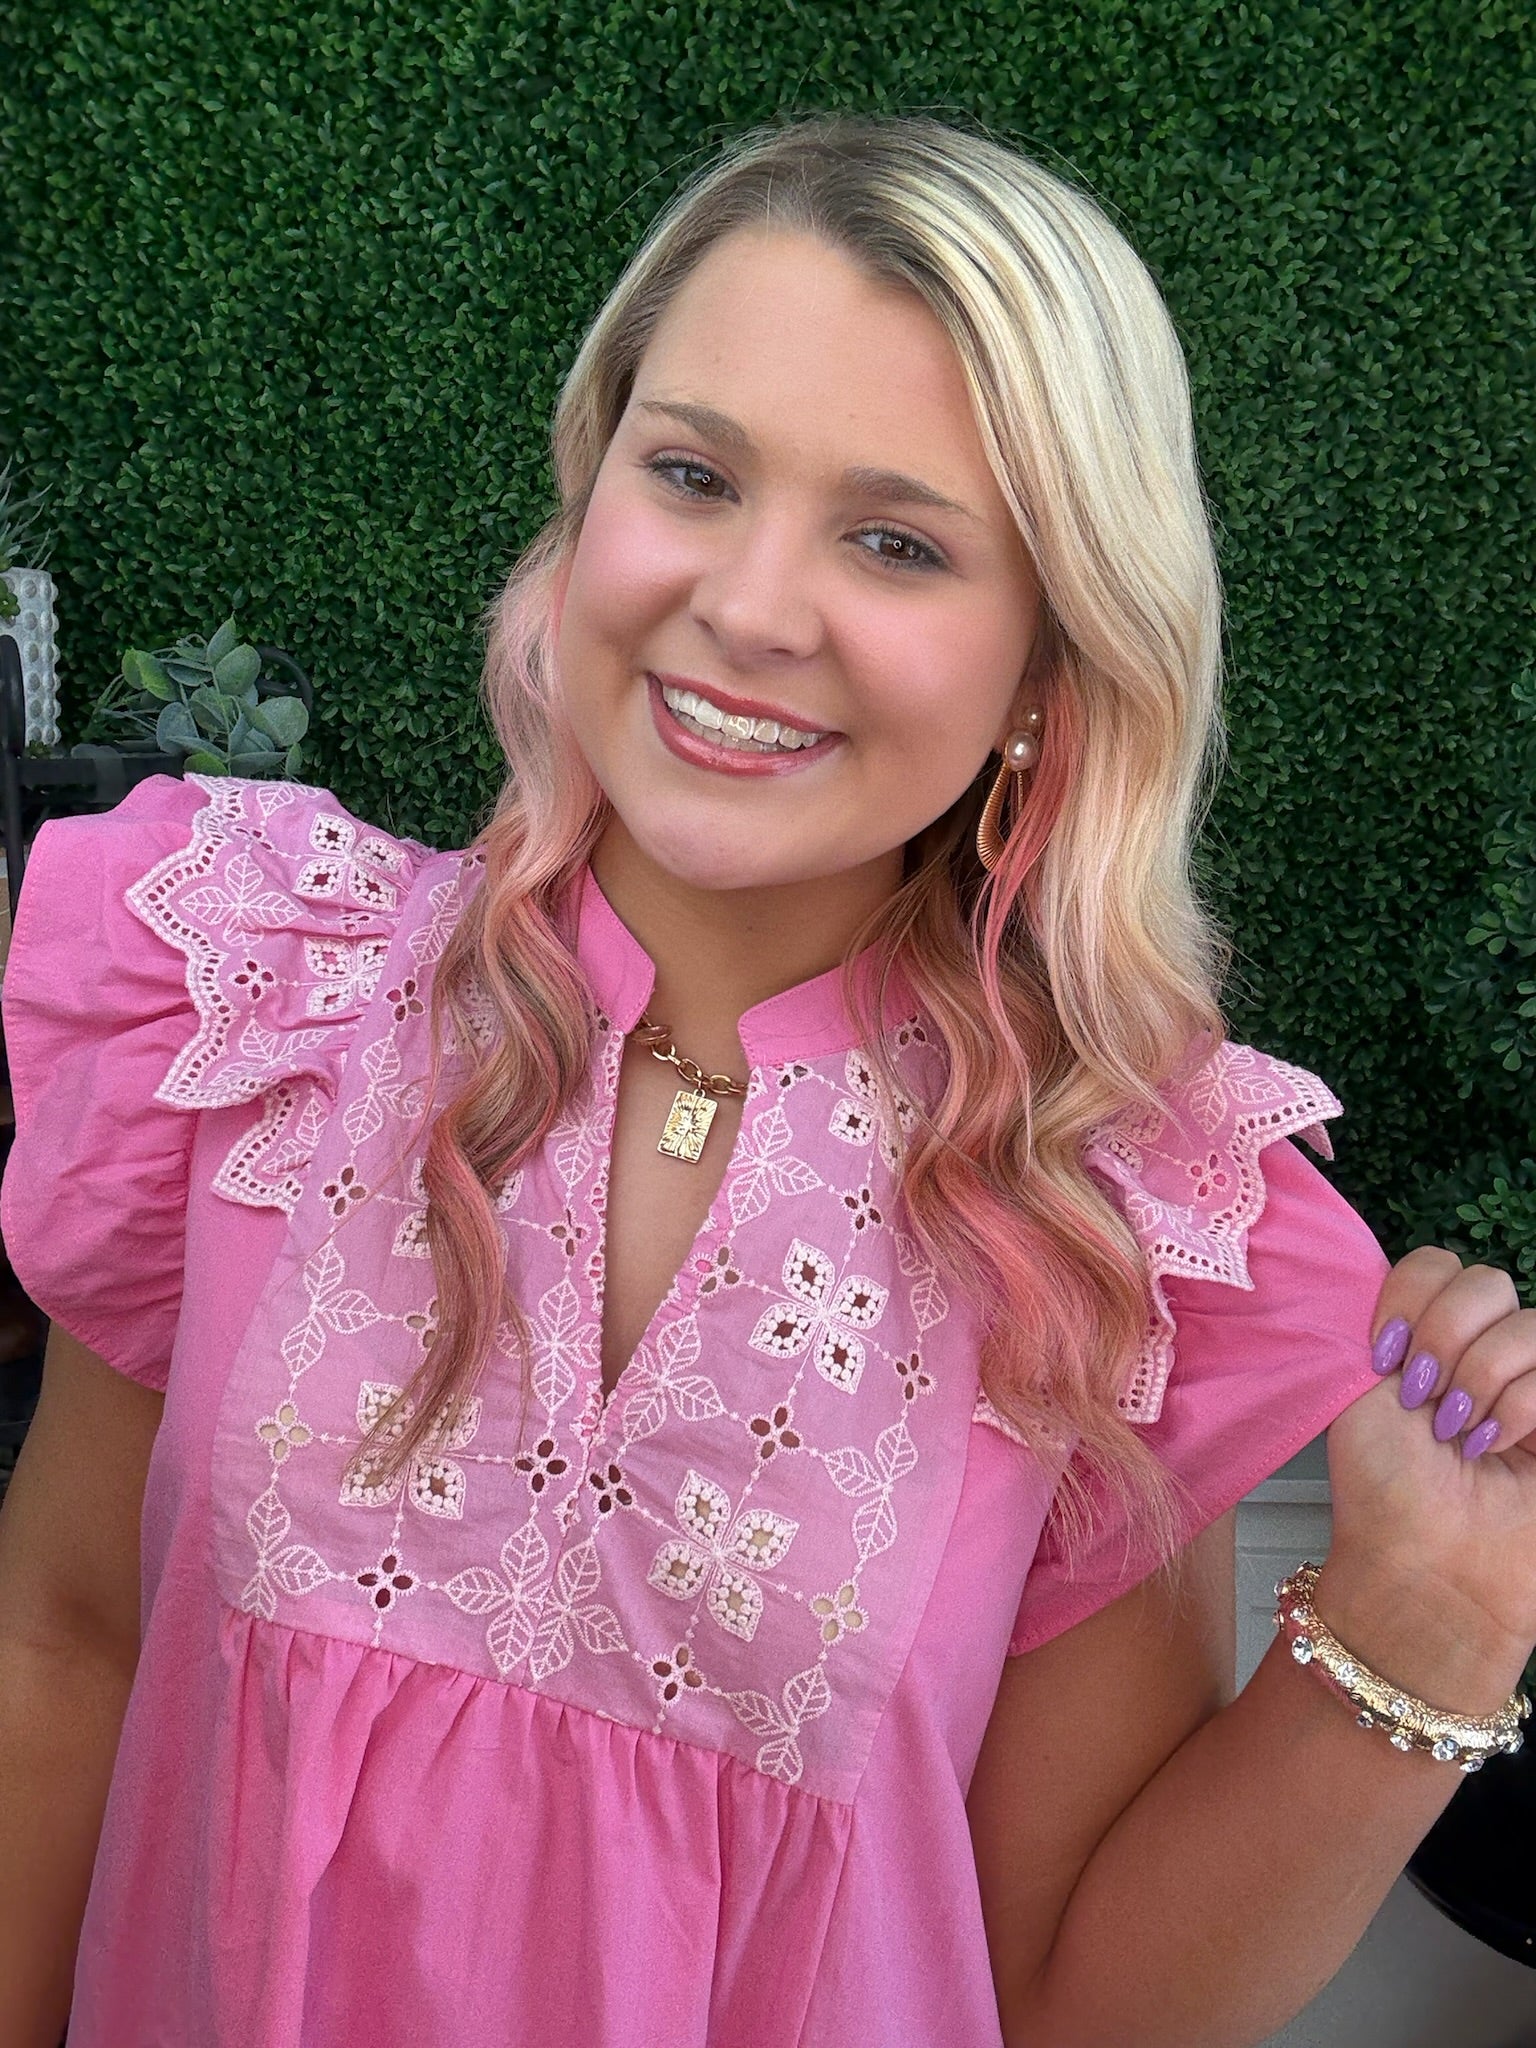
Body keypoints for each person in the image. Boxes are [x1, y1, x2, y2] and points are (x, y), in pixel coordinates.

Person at [0, 112, 1531, 2048]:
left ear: (1048, 664)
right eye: (695, 473)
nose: (747, 603)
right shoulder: (253, 1001)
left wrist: (1434, 1631)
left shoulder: (1105, 1220)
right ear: (590, 492)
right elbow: (66, 1647)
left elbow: (1064, 1998)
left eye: (896, 540)